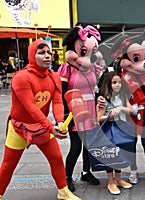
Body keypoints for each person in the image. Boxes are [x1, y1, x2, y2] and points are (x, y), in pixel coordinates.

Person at [0, 40, 80, 200]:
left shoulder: (54, 76)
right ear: (32, 55)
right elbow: (31, 107)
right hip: (19, 128)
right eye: (41, 52)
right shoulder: (21, 77)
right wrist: (51, 127)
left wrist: (59, 122)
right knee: (8, 165)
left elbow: (57, 101)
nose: (47, 56)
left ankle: (63, 191)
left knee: (56, 158)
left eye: (49, 53)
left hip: (41, 127)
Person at [58, 25, 102, 192]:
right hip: (75, 110)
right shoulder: (67, 69)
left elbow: (96, 90)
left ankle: (86, 171)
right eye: (84, 52)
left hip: (91, 110)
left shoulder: (93, 69)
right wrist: (64, 114)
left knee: (88, 145)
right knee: (75, 145)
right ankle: (67, 177)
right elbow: (62, 93)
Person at [96, 71, 133, 194]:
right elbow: (99, 118)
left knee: (120, 153)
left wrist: (121, 108)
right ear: (108, 84)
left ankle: (118, 179)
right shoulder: (103, 99)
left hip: (122, 128)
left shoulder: (123, 96)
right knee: (110, 154)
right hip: (109, 129)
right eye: (114, 83)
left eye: (119, 82)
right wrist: (110, 116)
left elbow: (131, 110)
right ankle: (110, 181)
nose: (117, 85)